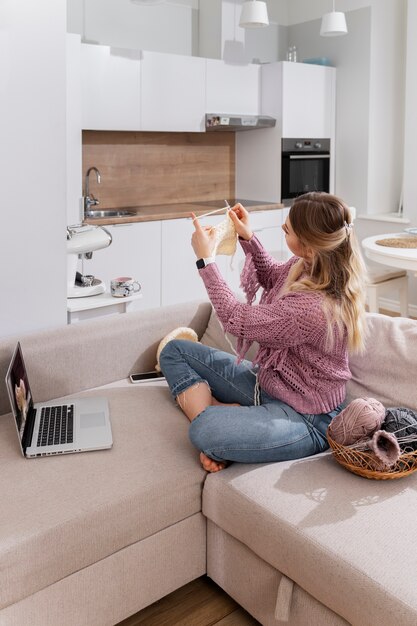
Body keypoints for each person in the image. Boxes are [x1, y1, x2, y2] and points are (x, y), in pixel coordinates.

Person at [159, 192, 368, 473]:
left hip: (306, 418)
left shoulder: (313, 309)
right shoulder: (308, 264)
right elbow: (271, 277)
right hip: (269, 384)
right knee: (174, 351)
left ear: (308, 246)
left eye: (287, 230)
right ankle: (230, 418)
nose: (283, 230)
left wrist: (206, 261)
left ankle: (224, 425)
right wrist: (247, 237)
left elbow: (235, 318)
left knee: (204, 430)